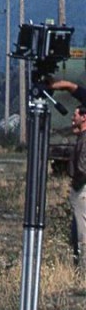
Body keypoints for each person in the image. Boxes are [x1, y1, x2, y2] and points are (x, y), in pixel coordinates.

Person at [69, 105, 86, 270]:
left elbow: (82, 168)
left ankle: (82, 267)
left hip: (82, 189)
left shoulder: (84, 139)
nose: (73, 118)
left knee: (82, 231)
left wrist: (76, 185)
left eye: (76, 115)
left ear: (84, 117)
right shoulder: (81, 137)